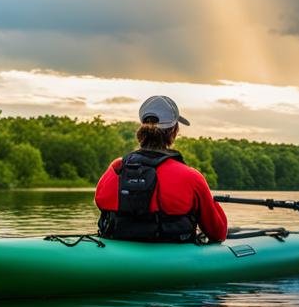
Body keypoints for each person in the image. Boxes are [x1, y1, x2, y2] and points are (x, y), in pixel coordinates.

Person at [95, 96, 228, 243]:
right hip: (173, 260)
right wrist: (210, 201)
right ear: (174, 131)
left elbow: (101, 203)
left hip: (115, 257)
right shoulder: (191, 177)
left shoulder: (115, 169)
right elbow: (219, 232)